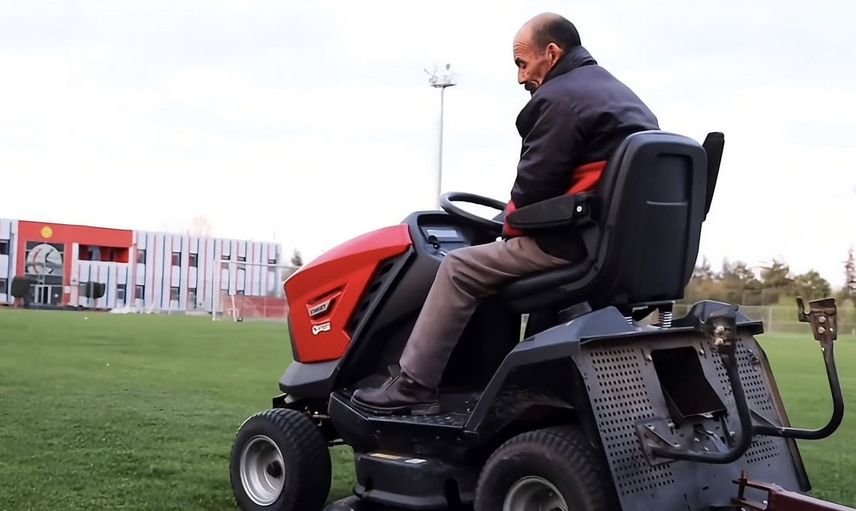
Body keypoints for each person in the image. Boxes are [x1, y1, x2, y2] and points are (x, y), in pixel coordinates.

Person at [352, 13, 659, 415]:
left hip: (569, 245)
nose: (520, 77)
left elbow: (532, 192)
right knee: (494, 264)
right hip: (618, 247)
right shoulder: (622, 97)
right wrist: (512, 222)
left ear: (552, 53)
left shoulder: (559, 99)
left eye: (522, 63)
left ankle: (414, 386)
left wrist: (508, 226)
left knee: (459, 268)